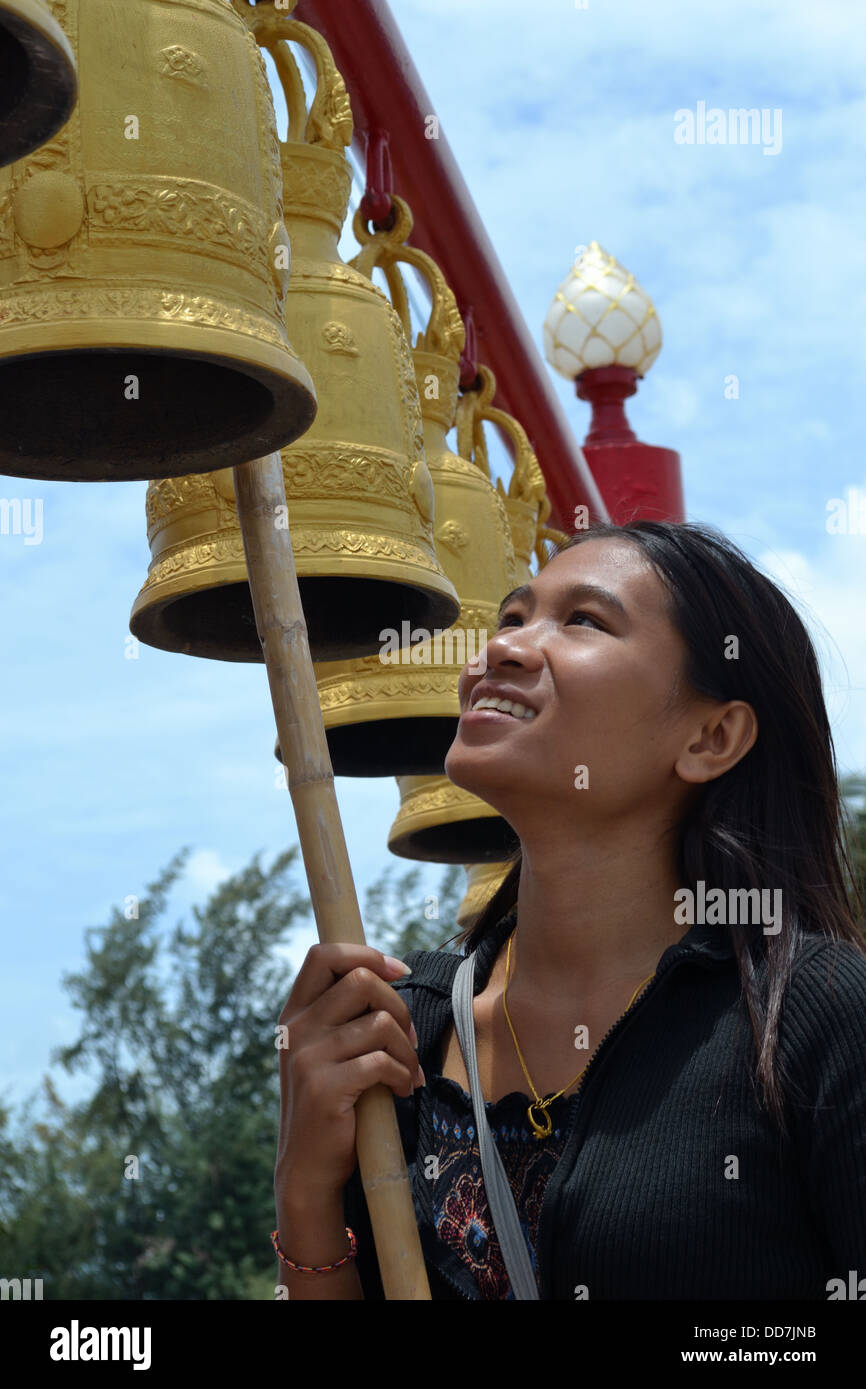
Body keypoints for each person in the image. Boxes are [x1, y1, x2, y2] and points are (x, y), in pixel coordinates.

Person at [271, 519, 866, 1299]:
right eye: (512, 618)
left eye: (583, 621)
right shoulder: (395, 1028)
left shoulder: (812, 1017)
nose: (500, 651)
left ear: (712, 736)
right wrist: (306, 1193)